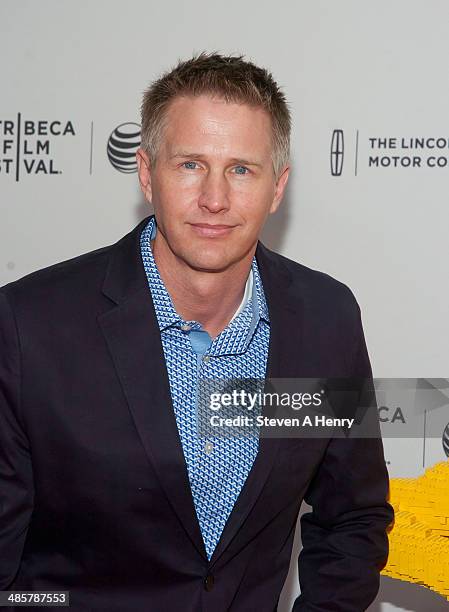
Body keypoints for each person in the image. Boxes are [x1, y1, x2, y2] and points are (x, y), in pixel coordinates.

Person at [0, 52, 394, 611]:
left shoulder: (324, 320)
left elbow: (352, 515)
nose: (215, 198)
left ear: (277, 188)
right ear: (145, 172)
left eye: (241, 169)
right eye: (190, 165)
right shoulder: (31, 325)